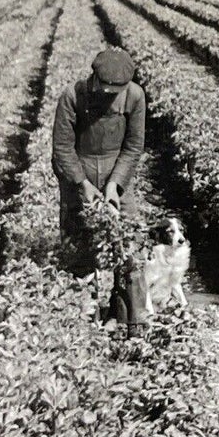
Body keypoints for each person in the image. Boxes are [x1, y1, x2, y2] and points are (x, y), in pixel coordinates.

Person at [51, 46, 146, 276]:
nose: (108, 98)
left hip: (116, 169)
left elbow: (133, 147)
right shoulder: (72, 96)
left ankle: (130, 310)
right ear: (94, 79)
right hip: (78, 170)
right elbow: (62, 147)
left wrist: (115, 184)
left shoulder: (135, 96)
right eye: (104, 92)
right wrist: (82, 184)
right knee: (78, 247)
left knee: (128, 246)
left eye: (115, 94)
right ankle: (83, 303)